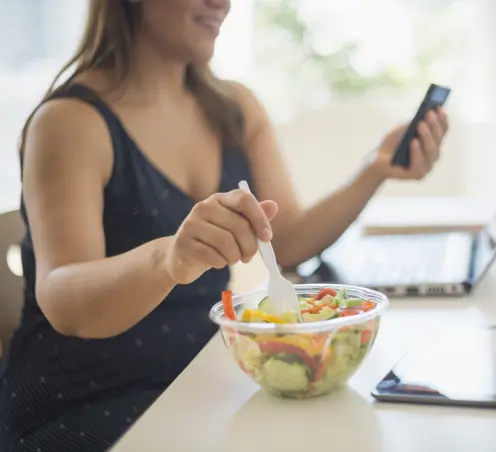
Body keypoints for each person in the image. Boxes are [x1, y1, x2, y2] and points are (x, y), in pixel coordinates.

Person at [0, 0, 449, 451]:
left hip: (193, 379)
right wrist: (170, 257)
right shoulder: (69, 121)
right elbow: (63, 297)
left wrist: (375, 170)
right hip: (86, 400)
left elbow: (287, 241)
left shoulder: (233, 107)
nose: (223, 3)